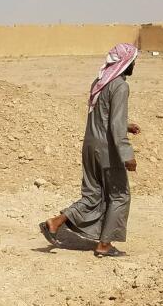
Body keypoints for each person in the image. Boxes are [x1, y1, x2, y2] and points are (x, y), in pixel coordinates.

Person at [40, 43, 141, 257]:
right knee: (120, 195)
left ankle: (55, 222)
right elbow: (113, 125)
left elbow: (103, 117)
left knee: (93, 195)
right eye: (133, 61)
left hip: (90, 145)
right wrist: (127, 155)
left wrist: (126, 125)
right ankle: (104, 245)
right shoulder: (120, 86)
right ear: (125, 63)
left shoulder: (100, 82)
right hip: (107, 150)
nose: (134, 65)